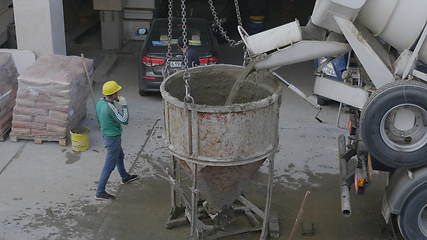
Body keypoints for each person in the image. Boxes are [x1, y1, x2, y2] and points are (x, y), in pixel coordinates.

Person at [95, 81, 138, 200]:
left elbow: (98, 118)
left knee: (120, 155)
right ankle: (100, 191)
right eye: (117, 92)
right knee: (109, 166)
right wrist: (124, 105)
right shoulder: (110, 108)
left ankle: (124, 176)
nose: (118, 94)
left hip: (106, 134)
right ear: (113, 94)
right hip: (113, 138)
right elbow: (124, 120)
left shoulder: (99, 102)